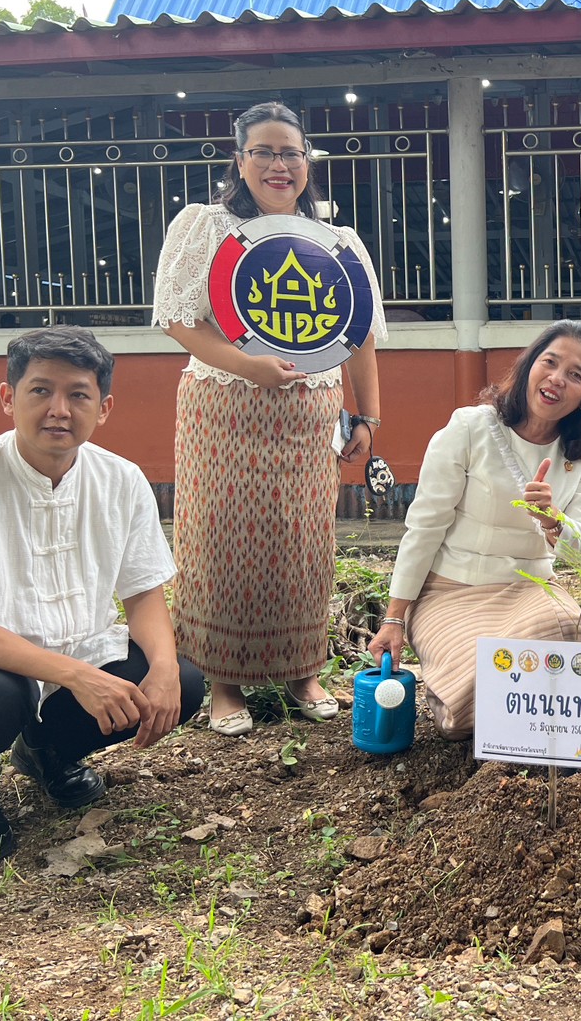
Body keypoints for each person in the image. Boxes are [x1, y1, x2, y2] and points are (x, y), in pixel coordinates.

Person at [0, 327, 205, 863]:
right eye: (40, 391)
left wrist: (163, 668)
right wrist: (75, 675)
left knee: (184, 679)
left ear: (103, 407)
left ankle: (46, 754)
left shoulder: (123, 480)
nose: (58, 410)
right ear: (7, 397)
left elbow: (142, 594)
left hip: (76, 653)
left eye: (78, 395)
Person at [151, 101, 387, 737]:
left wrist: (367, 416)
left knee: (303, 540)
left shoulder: (338, 242)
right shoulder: (205, 226)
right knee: (220, 535)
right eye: (265, 152)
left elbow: (359, 334)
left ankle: (302, 669)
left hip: (311, 413)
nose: (279, 164)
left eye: (291, 153)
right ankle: (222, 682)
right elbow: (178, 318)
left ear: (307, 165)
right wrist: (246, 364)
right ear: (240, 161)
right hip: (224, 404)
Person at [368, 321, 581, 739]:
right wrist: (395, 617)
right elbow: (424, 527)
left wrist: (555, 520)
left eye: (576, 375)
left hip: (528, 593)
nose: (557, 379)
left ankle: (531, 739)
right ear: (529, 366)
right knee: (467, 709)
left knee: (562, 627)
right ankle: (472, 709)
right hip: (450, 591)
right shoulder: (470, 427)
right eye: (550, 362)